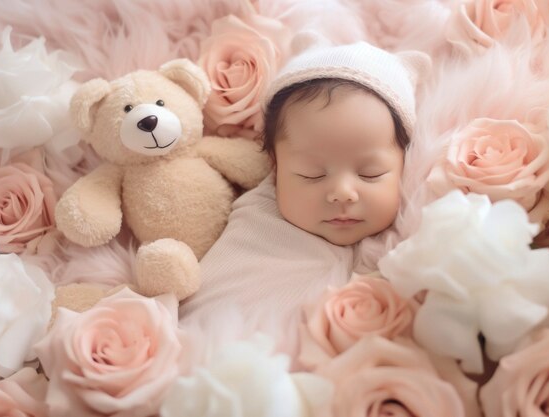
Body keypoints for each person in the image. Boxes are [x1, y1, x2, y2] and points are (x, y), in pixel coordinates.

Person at [179, 41, 428, 362]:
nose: (342, 193)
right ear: (275, 166)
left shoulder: (396, 243)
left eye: (371, 173)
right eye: (311, 174)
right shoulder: (257, 217)